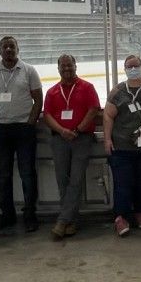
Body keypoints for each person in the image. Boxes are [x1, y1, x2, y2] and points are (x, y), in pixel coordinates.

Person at [0, 36, 43, 235]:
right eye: (5, 47)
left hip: (24, 129)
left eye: (12, 46)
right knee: (3, 175)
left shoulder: (29, 70)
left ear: (18, 49)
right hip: (1, 130)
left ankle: (29, 214)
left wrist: (30, 123)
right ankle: (7, 214)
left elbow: (38, 99)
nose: (9, 49)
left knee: (27, 174)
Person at [104, 53, 141, 237]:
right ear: (125, 70)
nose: (133, 69)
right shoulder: (118, 91)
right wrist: (107, 139)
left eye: (136, 65)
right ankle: (121, 217)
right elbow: (108, 115)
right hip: (122, 147)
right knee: (123, 184)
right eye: (129, 67)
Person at [43, 54, 101, 239]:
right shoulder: (52, 91)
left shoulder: (87, 87)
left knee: (76, 179)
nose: (67, 69)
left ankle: (62, 220)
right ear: (58, 68)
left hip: (81, 138)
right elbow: (47, 115)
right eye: (63, 66)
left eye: (70, 65)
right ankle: (71, 221)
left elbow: (93, 110)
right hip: (60, 140)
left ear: (76, 66)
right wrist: (62, 131)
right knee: (63, 180)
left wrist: (77, 129)